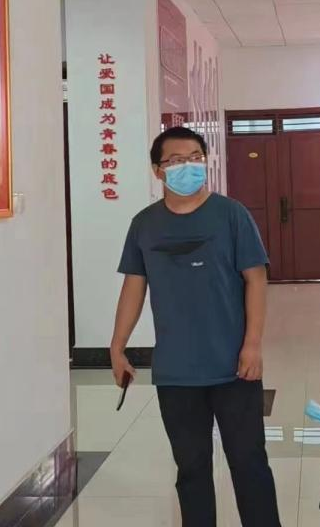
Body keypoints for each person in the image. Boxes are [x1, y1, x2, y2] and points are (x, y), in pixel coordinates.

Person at [110, 127, 280, 527]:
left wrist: (253, 344)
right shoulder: (144, 224)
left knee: (249, 463)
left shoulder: (232, 215)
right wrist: (117, 346)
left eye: (195, 158)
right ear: (158, 171)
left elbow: (256, 279)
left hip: (234, 365)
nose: (187, 166)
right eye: (175, 161)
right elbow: (134, 285)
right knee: (191, 469)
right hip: (176, 371)